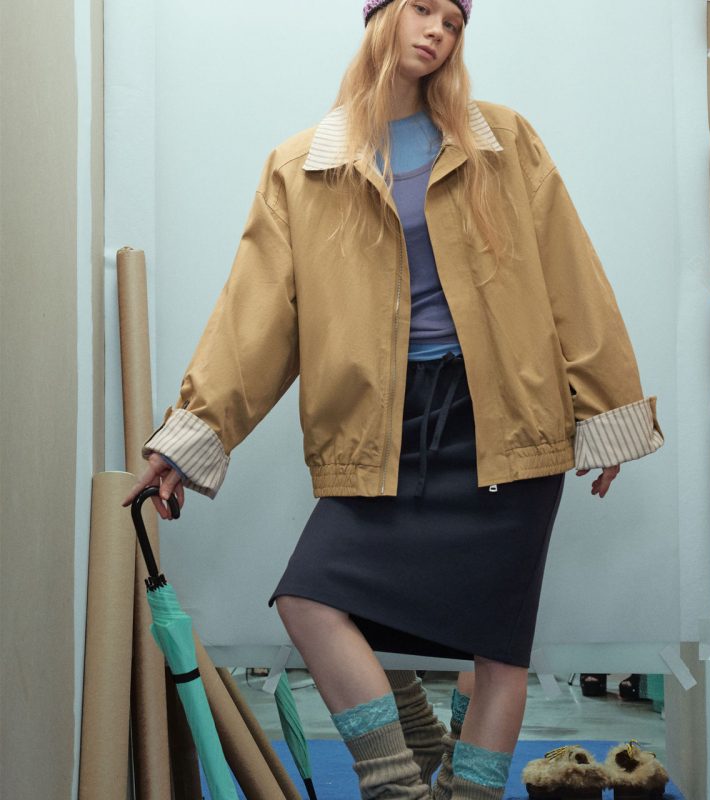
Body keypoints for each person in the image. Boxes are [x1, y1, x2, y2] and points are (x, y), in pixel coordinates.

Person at [123, 1, 665, 797]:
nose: (438, 30)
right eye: (423, 9)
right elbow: (254, 322)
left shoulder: (503, 141)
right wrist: (190, 436)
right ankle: (399, 788)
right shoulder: (302, 167)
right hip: (380, 428)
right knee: (308, 598)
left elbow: (571, 277)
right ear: (380, 16)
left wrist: (605, 411)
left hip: (504, 424)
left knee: (497, 646)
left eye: (454, 21)